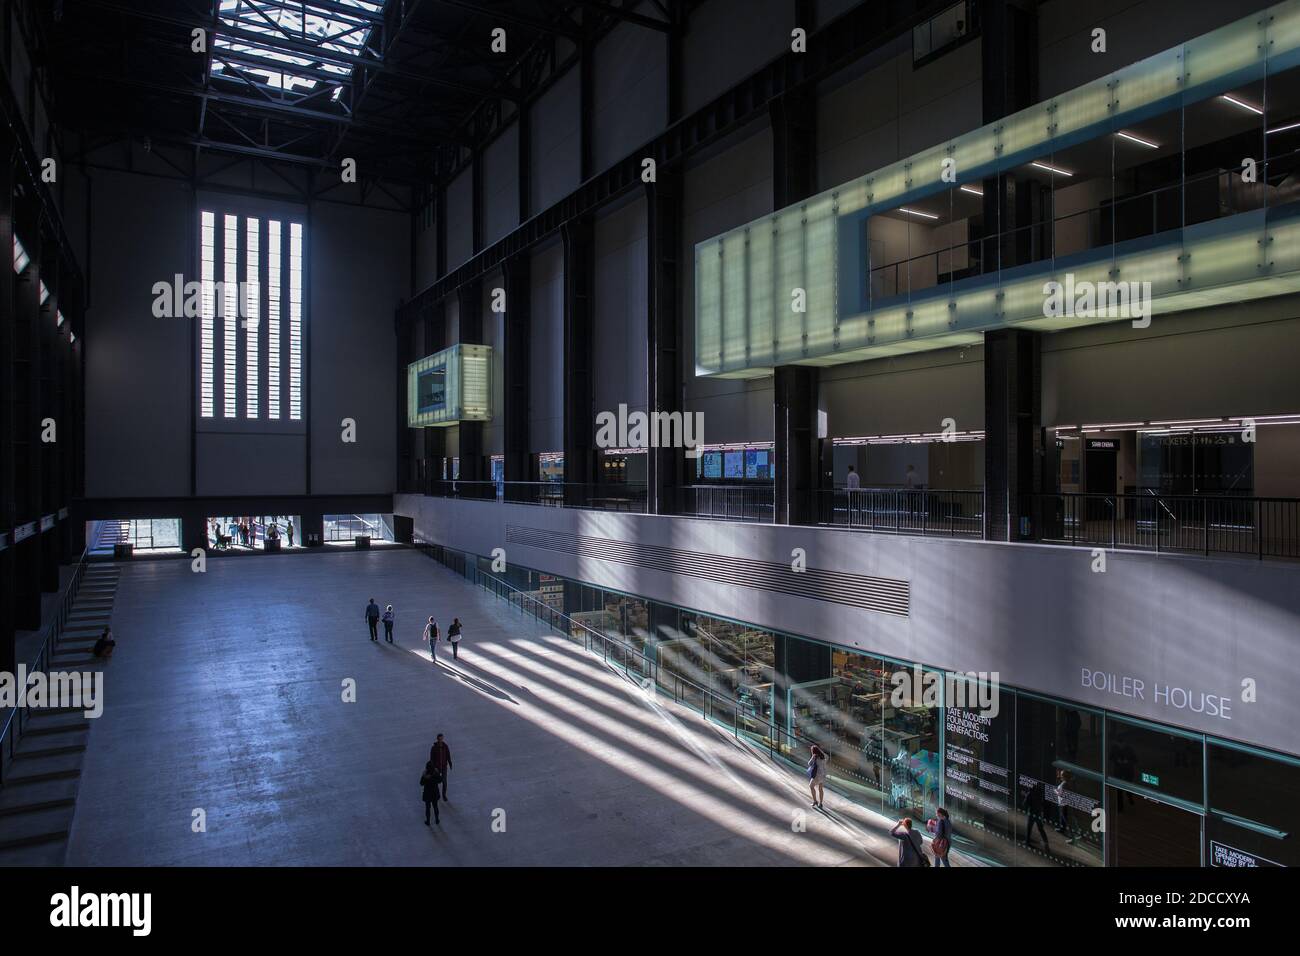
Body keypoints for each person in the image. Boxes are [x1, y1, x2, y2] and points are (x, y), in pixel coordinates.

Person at [430, 734, 453, 801]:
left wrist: (450, 763)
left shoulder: (445, 746)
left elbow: (448, 755)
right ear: (437, 739)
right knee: (435, 782)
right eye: (439, 739)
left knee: (444, 782)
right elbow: (431, 758)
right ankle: (436, 794)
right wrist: (433, 767)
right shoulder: (434, 748)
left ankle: (444, 795)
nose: (440, 740)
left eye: (441, 738)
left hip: (444, 767)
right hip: (437, 768)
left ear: (443, 739)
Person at [420, 760, 442, 826]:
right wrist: (437, 774)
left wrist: (424, 776)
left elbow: (421, 783)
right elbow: (440, 780)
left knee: (427, 808)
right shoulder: (435, 773)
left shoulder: (425, 775)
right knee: (435, 807)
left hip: (427, 794)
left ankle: (428, 821)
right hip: (435, 793)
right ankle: (437, 819)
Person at [807, 744, 829, 809]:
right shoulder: (824, 757)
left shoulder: (815, 757)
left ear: (813, 751)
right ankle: (820, 803)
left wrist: (812, 757)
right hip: (823, 775)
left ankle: (815, 801)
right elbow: (827, 757)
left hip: (817, 775)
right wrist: (820, 751)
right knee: (820, 789)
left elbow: (809, 763)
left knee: (811, 786)